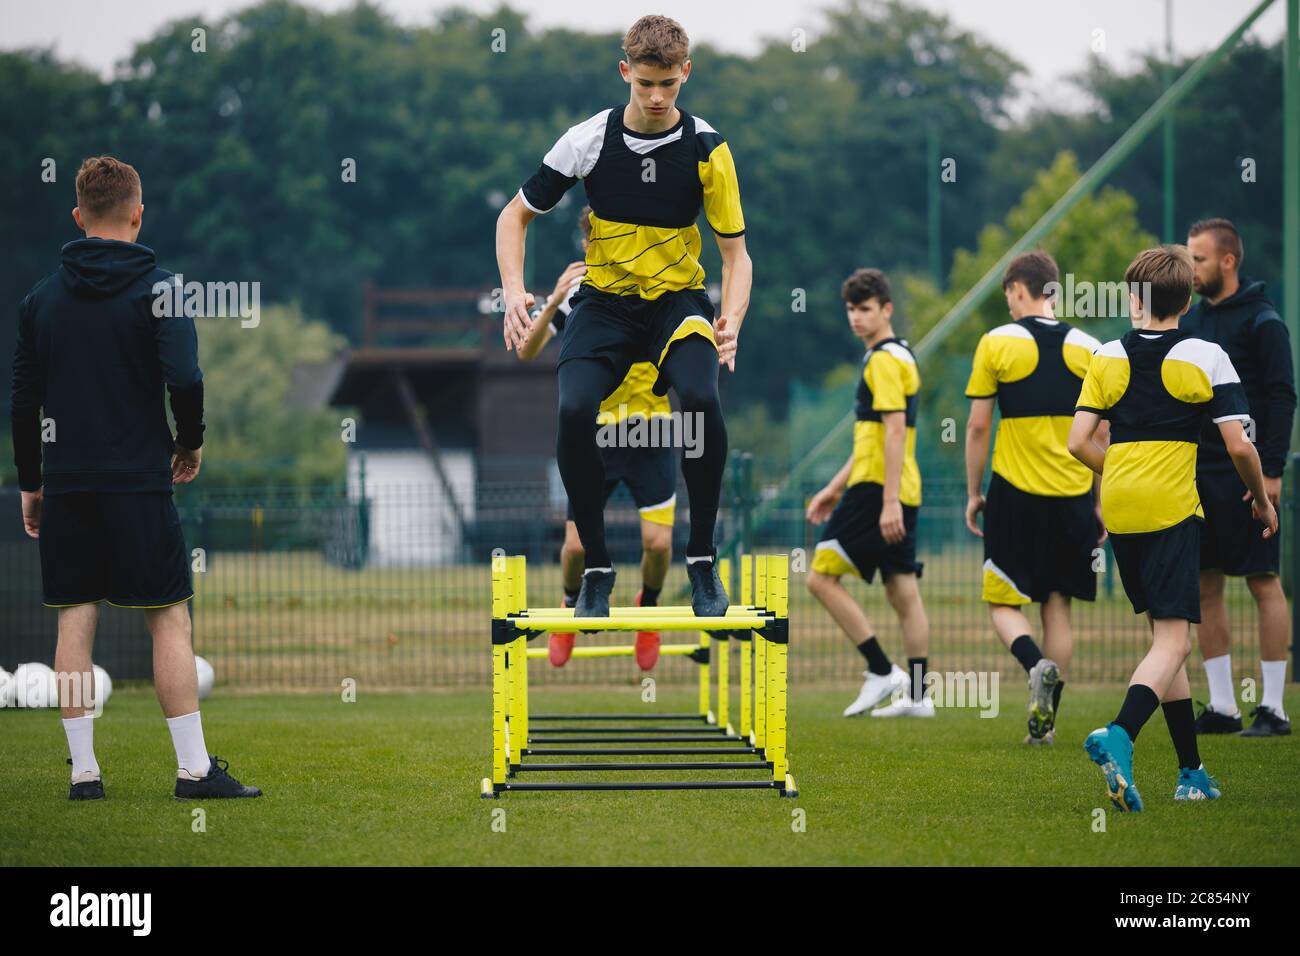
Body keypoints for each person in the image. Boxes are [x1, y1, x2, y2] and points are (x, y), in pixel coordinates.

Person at [10, 156, 260, 801]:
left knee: (74, 619)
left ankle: (84, 775)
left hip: (66, 481)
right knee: (168, 617)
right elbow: (186, 379)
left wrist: (31, 482)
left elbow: (22, 400)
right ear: (138, 214)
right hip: (138, 481)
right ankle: (194, 772)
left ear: (77, 215)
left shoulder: (40, 299)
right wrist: (189, 442)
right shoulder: (167, 288)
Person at [495, 14, 750, 618]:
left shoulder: (709, 149)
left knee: (701, 395)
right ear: (625, 73)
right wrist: (513, 289)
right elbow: (514, 216)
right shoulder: (587, 140)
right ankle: (599, 569)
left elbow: (736, 256)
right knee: (575, 407)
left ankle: (704, 560)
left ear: (685, 73)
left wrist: (732, 319)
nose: (658, 97)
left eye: (668, 84)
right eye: (645, 84)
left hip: (677, 303)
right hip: (605, 304)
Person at [1068, 245, 1276, 811]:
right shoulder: (1206, 354)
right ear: (1187, 299)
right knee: (1175, 639)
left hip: (1120, 504)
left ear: (1134, 299)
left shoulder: (1107, 355)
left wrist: (1124, 472)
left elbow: (1077, 442)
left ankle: (1191, 772)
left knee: (1165, 640)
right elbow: (1238, 443)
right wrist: (1261, 499)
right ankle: (1119, 734)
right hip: (1170, 507)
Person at [517, 206, 675, 669]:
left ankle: (648, 608)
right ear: (588, 246)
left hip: (653, 432)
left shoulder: (662, 281)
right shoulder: (578, 295)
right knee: (575, 547)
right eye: (598, 241)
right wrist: (551, 301)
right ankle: (570, 602)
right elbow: (527, 353)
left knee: (659, 544)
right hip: (598, 436)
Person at [963, 251, 1104, 744]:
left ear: (1020, 290)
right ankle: (1046, 726)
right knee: (1057, 606)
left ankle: (1034, 664)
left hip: (1015, 495)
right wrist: (1100, 500)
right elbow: (1102, 433)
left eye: (1008, 295)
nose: (1008, 304)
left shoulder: (996, 343)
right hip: (1073, 498)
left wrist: (973, 492)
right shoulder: (1091, 348)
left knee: (1002, 601)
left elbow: (980, 425)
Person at [1181, 218, 1294, 737]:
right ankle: (1224, 707)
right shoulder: (1193, 322)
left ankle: (1274, 708)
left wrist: (1269, 470)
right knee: (1205, 587)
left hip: (1248, 475)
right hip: (1198, 475)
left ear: (1228, 261)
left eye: (1198, 259)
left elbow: (1281, 396)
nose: (1191, 267)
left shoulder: (1264, 321)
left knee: (1263, 582)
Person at [806, 269, 932, 718]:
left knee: (819, 576)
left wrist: (889, 501)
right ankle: (919, 697)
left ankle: (882, 671)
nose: (856, 318)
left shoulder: (882, 359)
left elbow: (894, 431)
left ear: (886, 309)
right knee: (902, 590)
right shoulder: (901, 355)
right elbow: (874, 437)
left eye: (865, 309)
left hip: (880, 490)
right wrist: (832, 489)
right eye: (851, 310)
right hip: (893, 486)